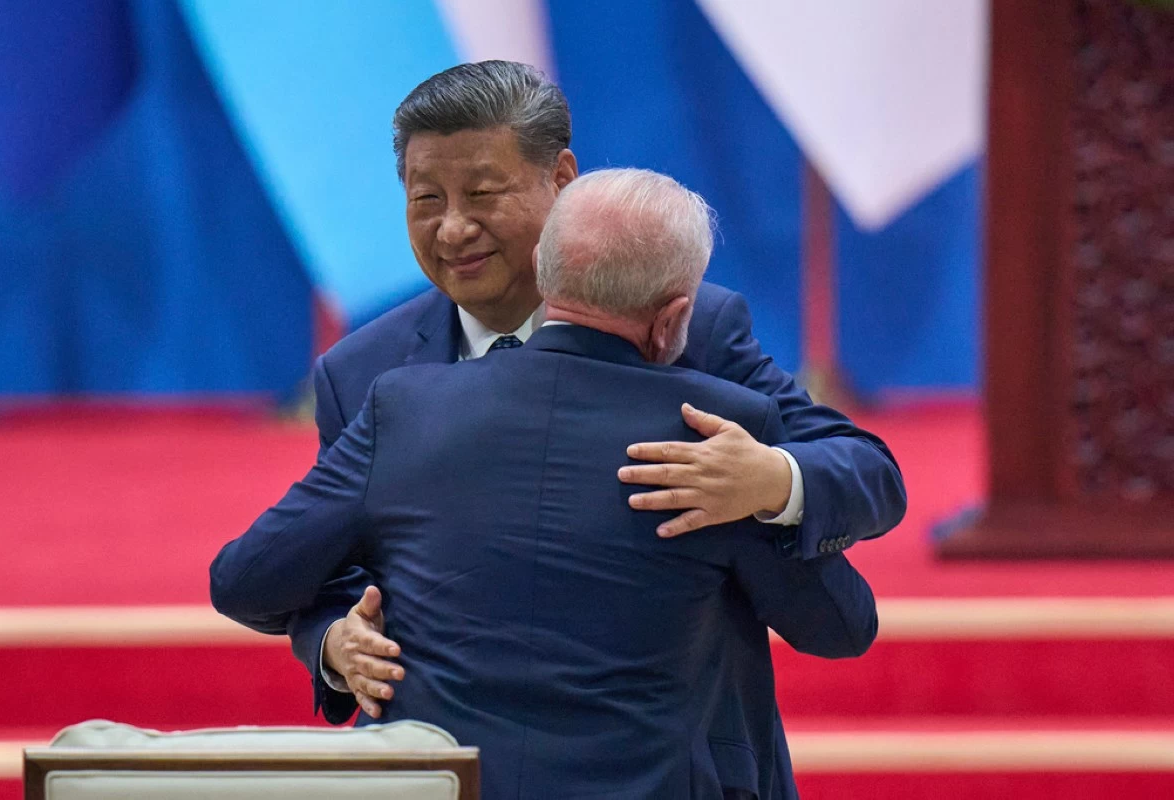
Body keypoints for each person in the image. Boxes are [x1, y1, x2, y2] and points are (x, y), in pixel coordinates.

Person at [246, 61, 904, 797]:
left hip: (682, 767)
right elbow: (324, 563)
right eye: (425, 199)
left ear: (561, 179)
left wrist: (771, 481)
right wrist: (335, 640)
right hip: (445, 768)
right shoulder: (363, 372)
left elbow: (866, 471)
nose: (453, 227)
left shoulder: (691, 323)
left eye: (483, 194)